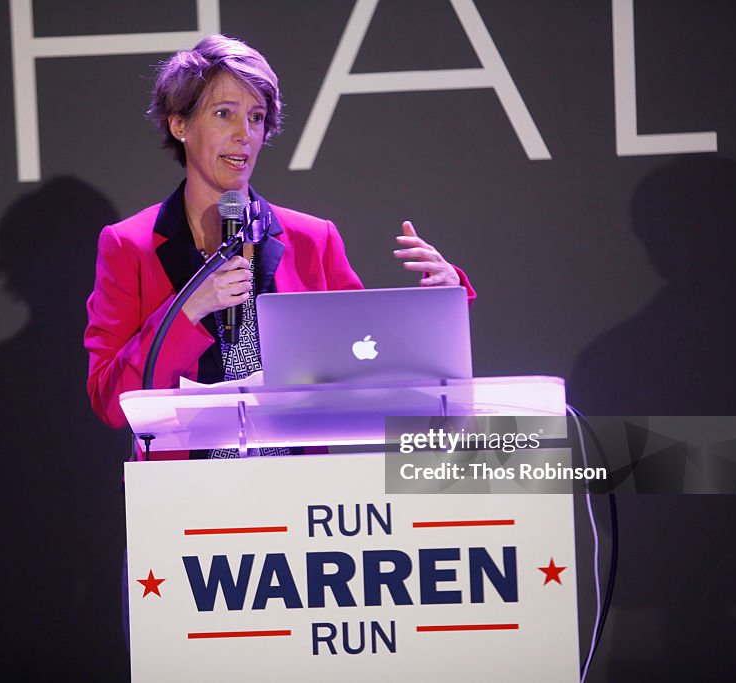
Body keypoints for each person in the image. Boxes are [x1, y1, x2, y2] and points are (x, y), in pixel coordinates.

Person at [84, 34, 474, 455]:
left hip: (298, 492)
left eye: (256, 118)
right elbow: (111, 403)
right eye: (223, 114)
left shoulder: (313, 239)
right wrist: (189, 308)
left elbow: (370, 366)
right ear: (179, 124)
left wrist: (441, 305)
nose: (244, 135)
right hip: (186, 495)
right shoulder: (129, 245)